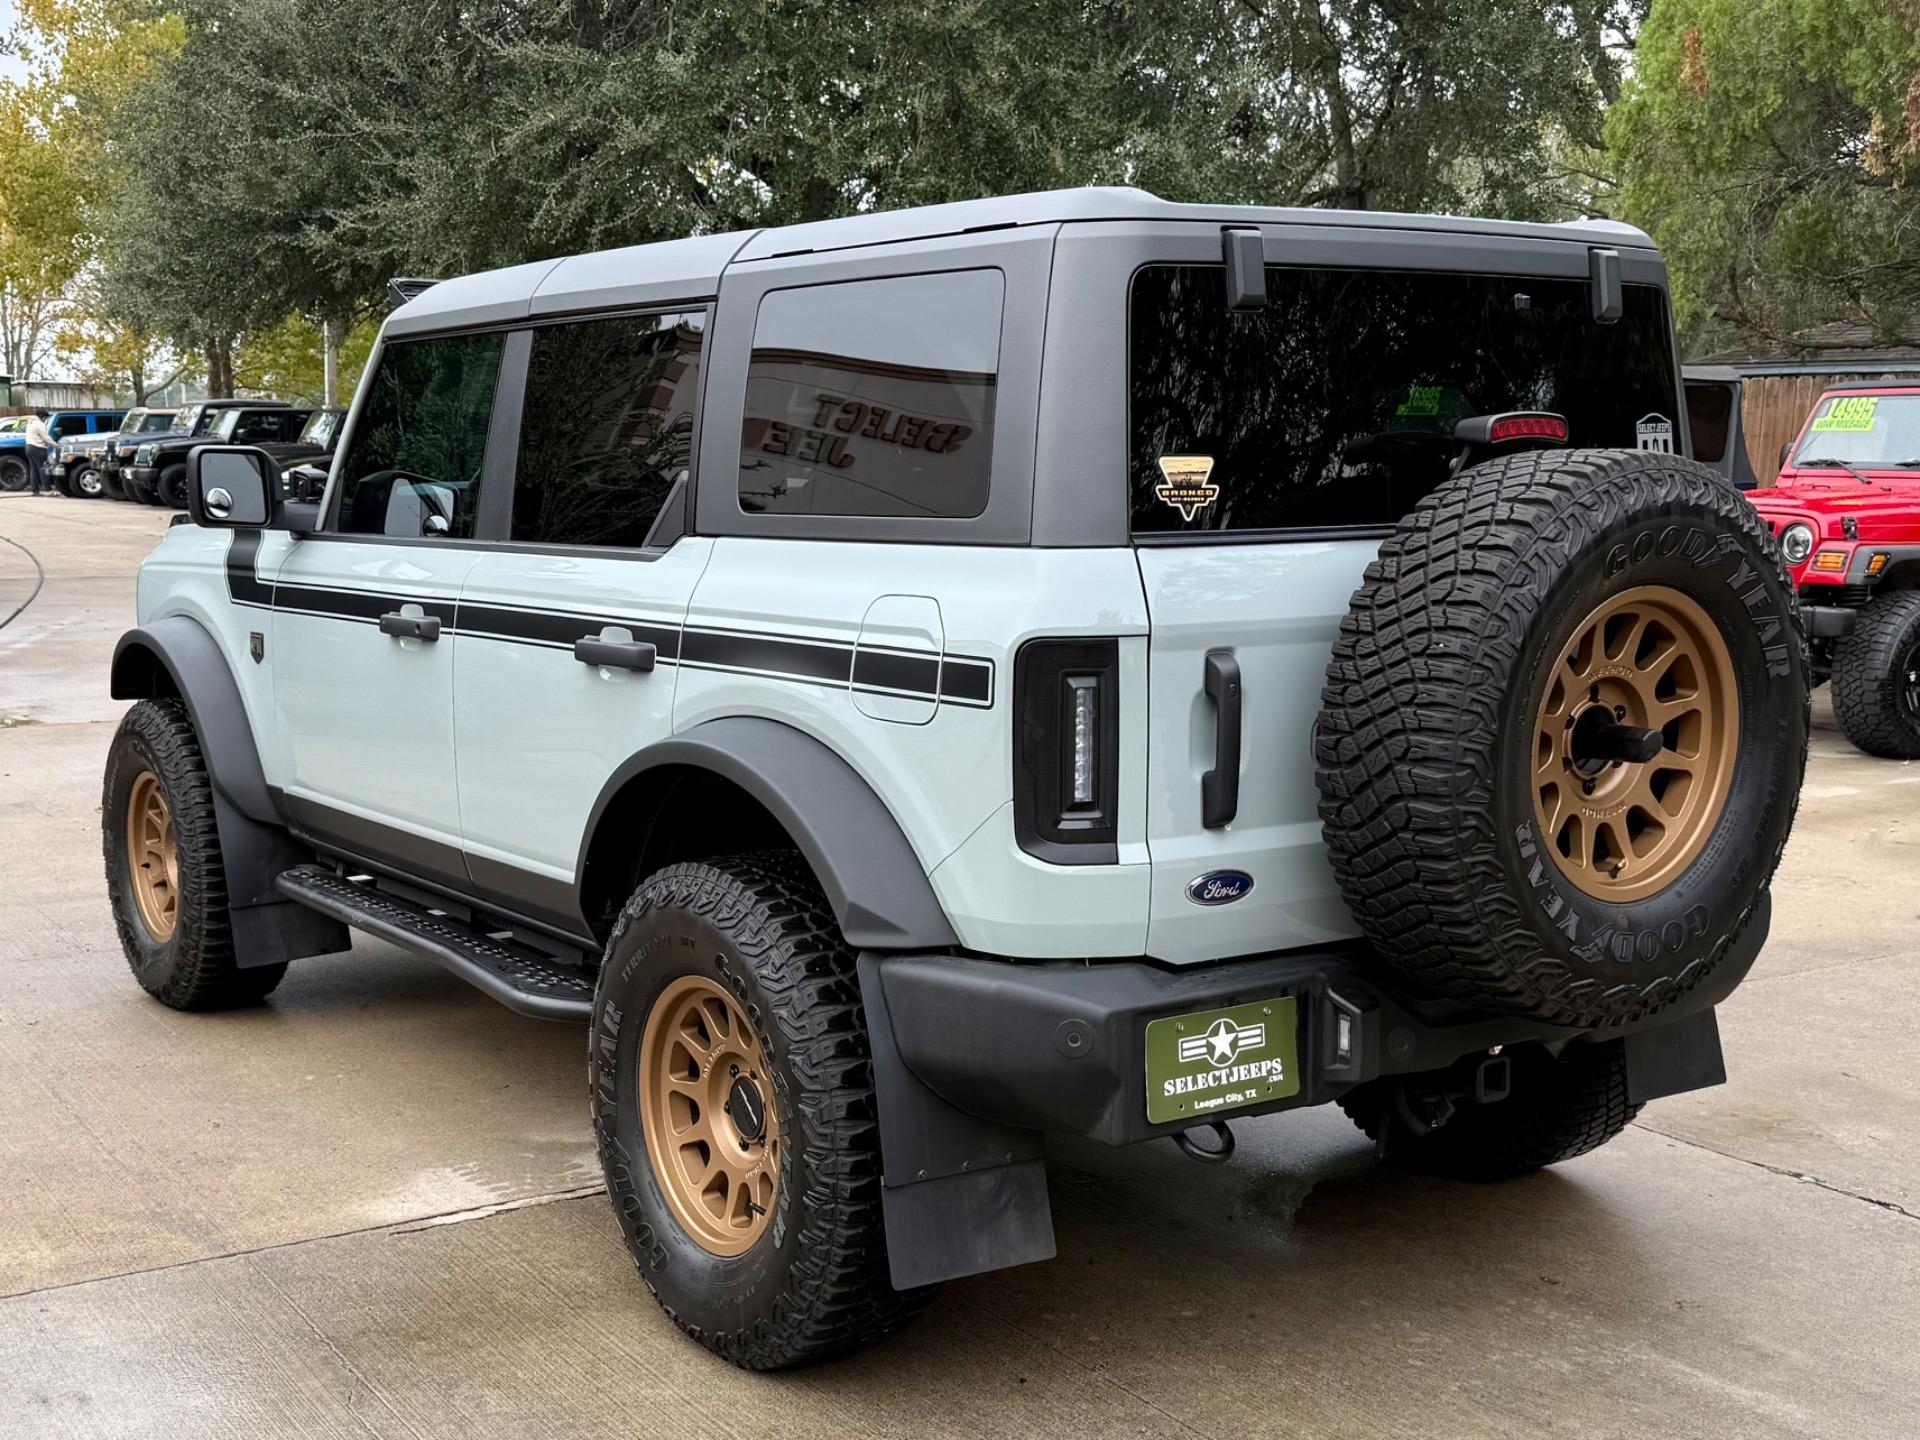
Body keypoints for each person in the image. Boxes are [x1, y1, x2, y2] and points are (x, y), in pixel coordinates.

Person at [24, 409, 53, 496]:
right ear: (42, 416)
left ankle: (35, 490)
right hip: (38, 448)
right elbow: (46, 438)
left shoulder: (30, 423)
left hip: (29, 447)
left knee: (33, 469)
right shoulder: (40, 424)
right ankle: (48, 490)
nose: (46, 419)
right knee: (42, 468)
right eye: (45, 417)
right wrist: (56, 445)